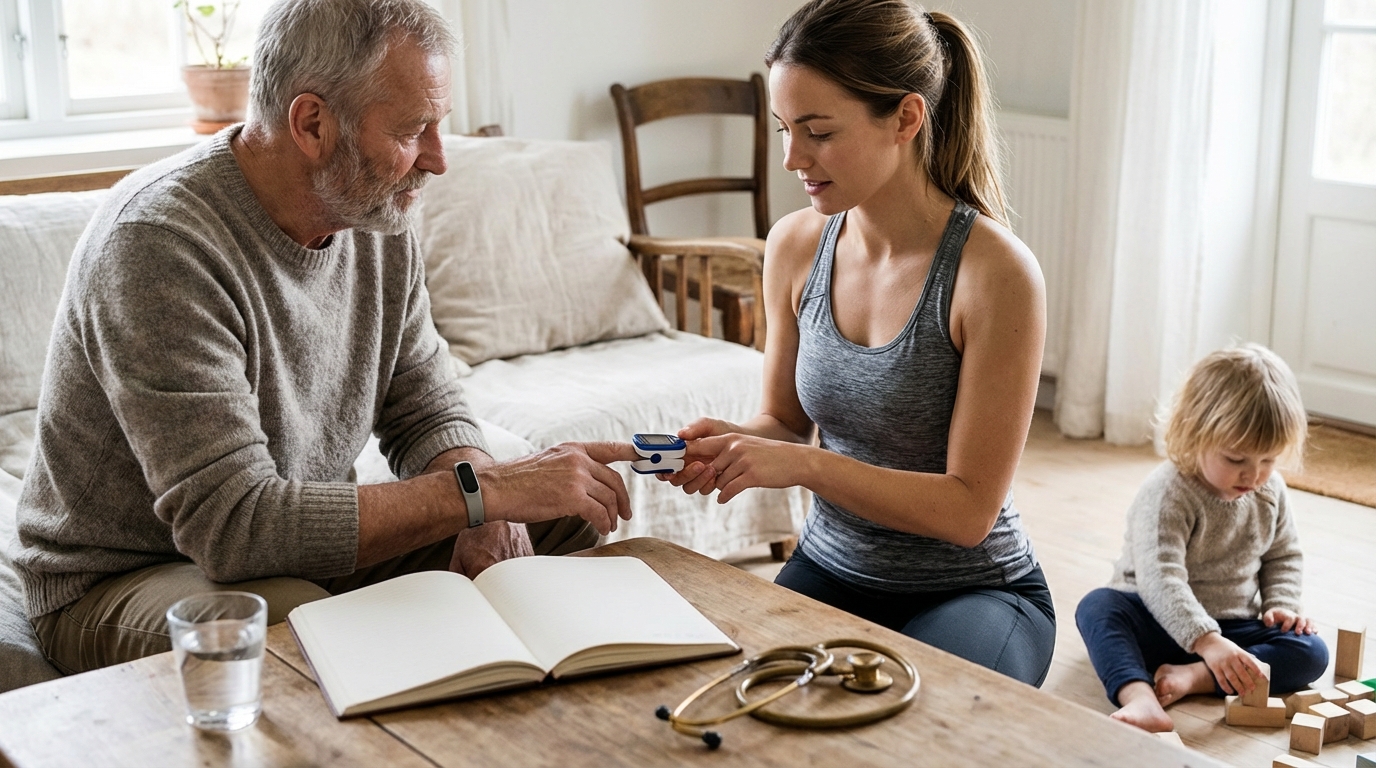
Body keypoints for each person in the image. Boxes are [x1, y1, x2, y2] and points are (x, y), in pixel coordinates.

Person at [14, 0, 637, 676]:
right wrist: (482, 491)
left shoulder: (375, 216)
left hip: (286, 544)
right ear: (311, 124)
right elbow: (234, 526)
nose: (437, 159)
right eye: (413, 129)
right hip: (128, 576)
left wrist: (489, 501)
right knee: (289, 621)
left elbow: (424, 408)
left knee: (561, 519)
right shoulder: (160, 245)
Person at [663, 0, 1054, 685]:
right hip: (833, 567)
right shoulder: (793, 246)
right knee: (736, 704)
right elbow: (784, 422)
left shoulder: (995, 274)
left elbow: (967, 511)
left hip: (974, 590)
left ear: (905, 118)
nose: (792, 157)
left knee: (919, 723)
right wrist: (733, 444)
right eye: (785, 129)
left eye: (817, 131)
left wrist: (808, 467)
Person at [1075, 344, 1327, 732]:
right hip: (1154, 616)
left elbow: (1284, 555)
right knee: (1097, 608)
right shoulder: (1168, 492)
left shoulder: (1269, 490)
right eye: (1236, 459)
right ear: (1194, 432)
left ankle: (1195, 677)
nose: (1254, 475)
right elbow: (1161, 579)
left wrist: (1282, 604)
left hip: (1231, 626)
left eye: (1268, 460)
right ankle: (1139, 697)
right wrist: (1206, 641)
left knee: (1311, 651)